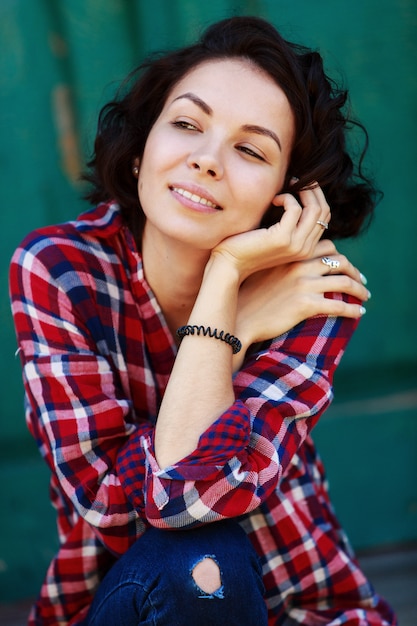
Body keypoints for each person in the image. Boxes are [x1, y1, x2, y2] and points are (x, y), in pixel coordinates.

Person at [9, 15, 397, 626]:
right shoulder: (60, 271)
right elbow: (154, 506)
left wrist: (228, 280)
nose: (207, 160)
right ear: (140, 152)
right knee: (199, 563)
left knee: (206, 555)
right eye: (186, 124)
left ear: (286, 194)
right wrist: (229, 318)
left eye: (249, 149)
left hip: (301, 605)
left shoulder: (311, 285)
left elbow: (201, 493)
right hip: (133, 601)